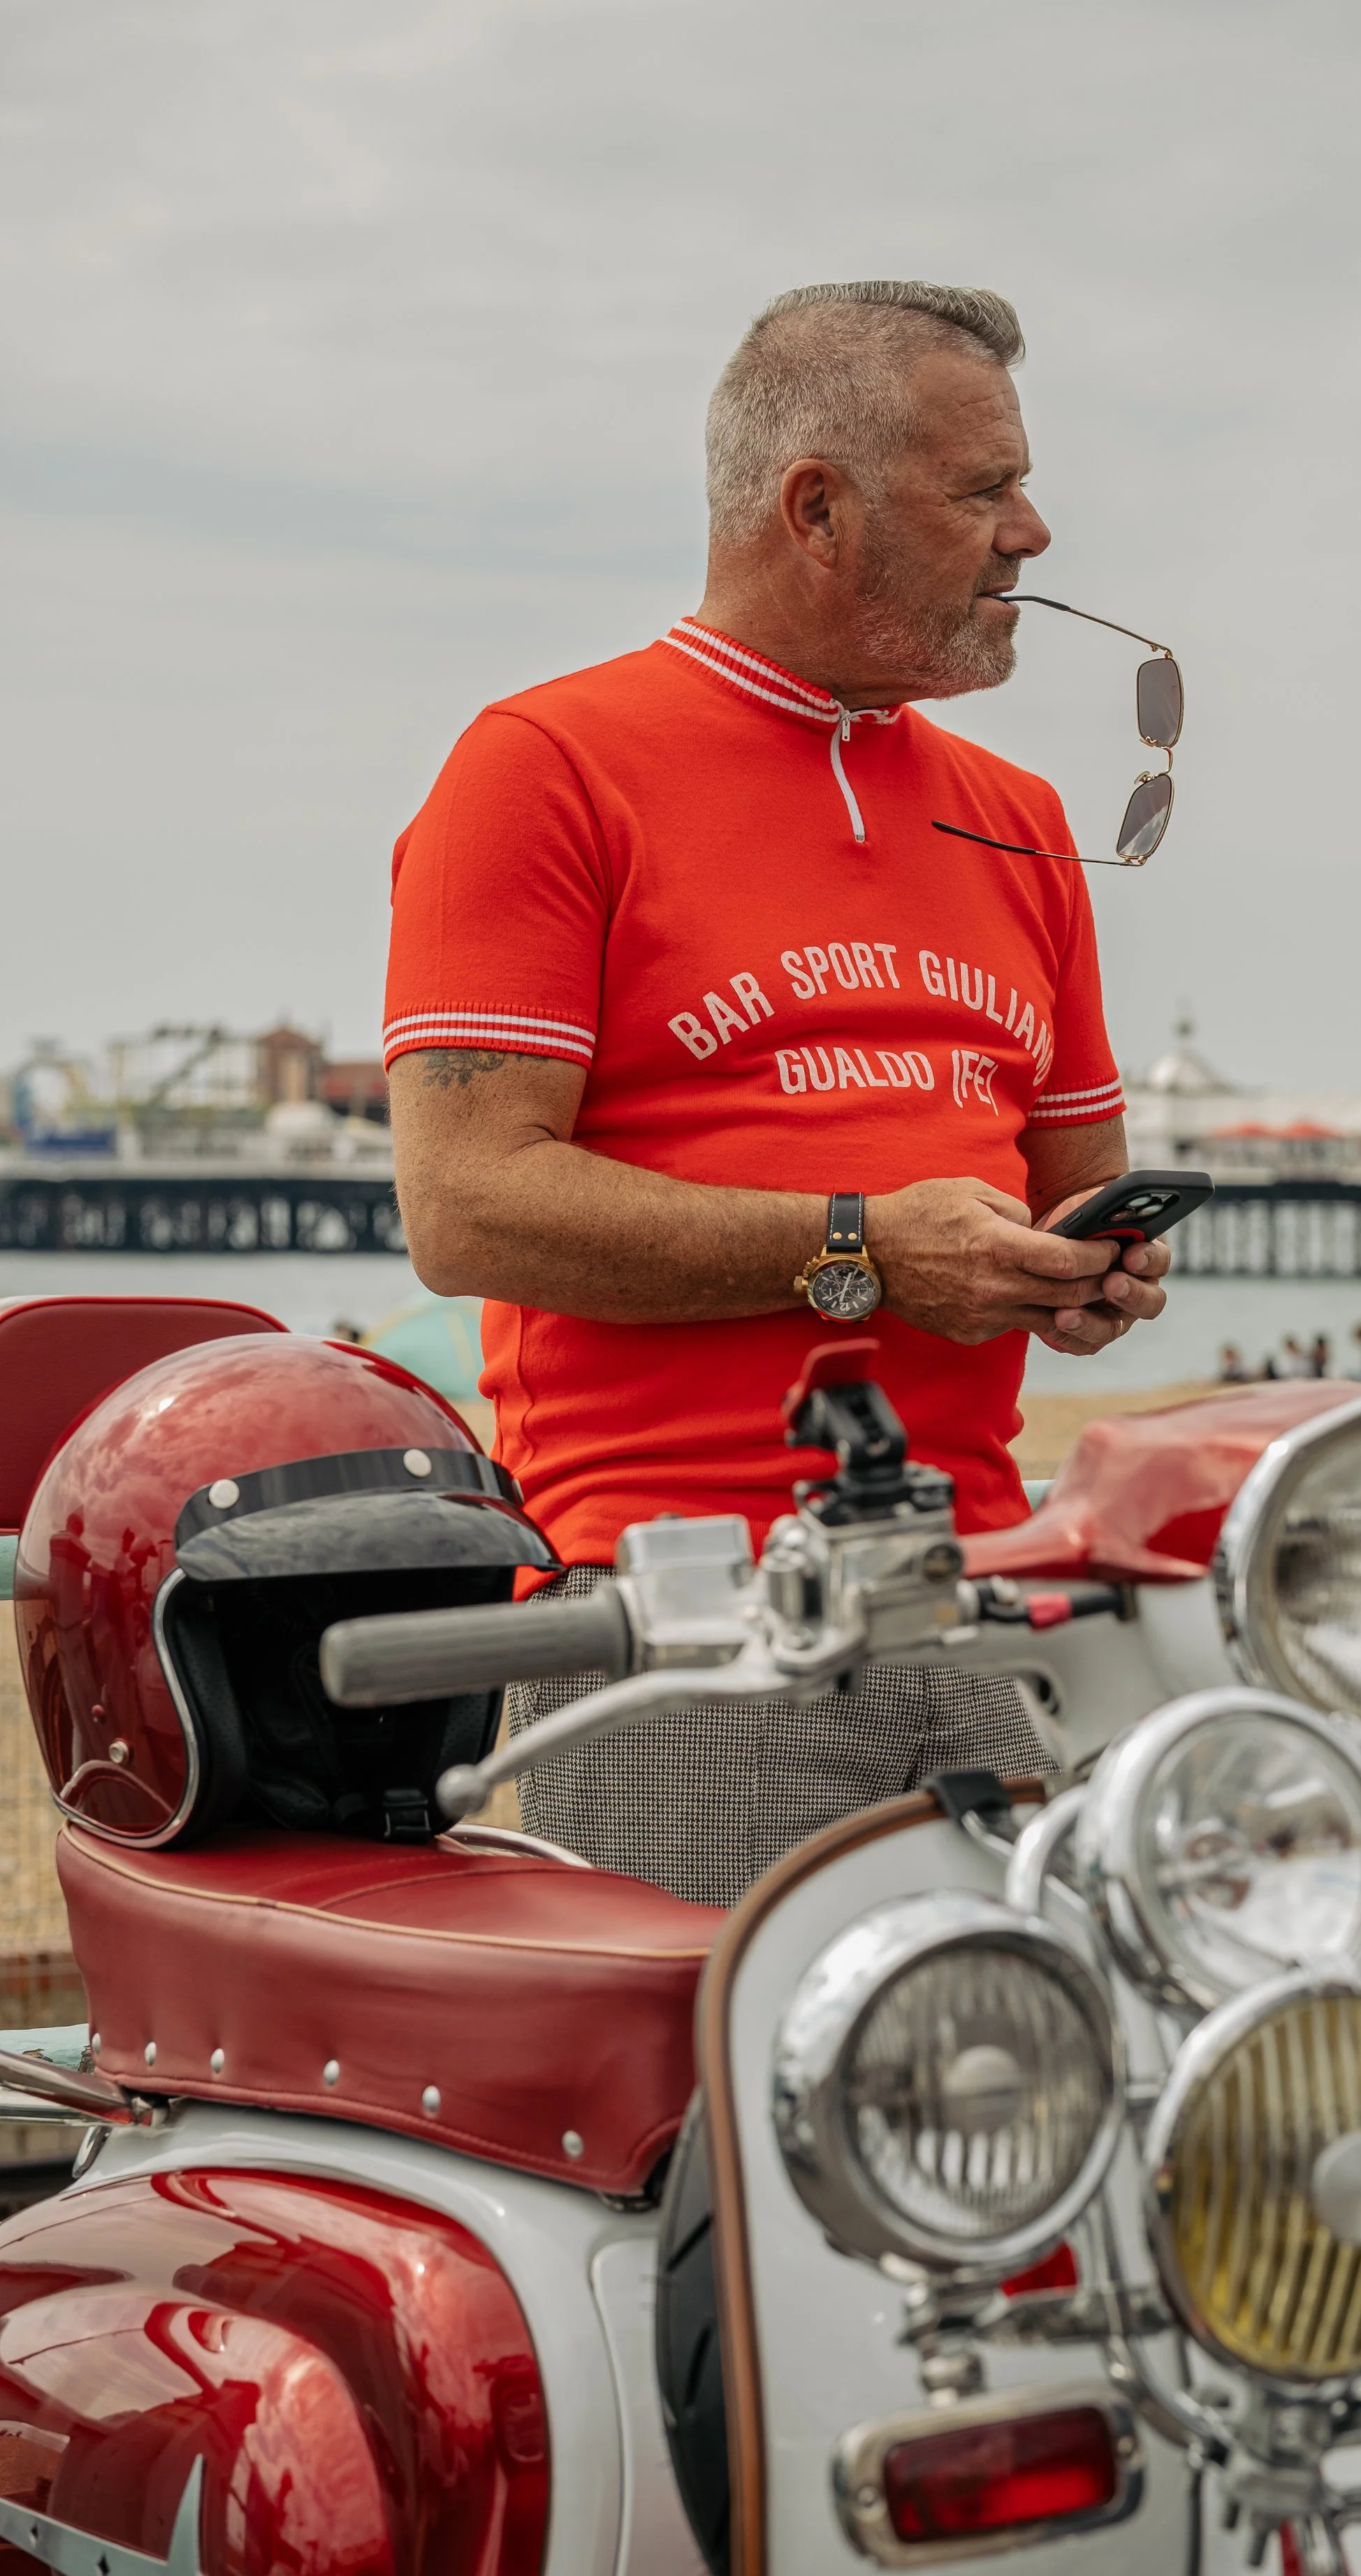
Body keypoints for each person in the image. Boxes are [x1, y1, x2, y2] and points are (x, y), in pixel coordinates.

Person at [384, 279, 1171, 1905]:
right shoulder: (543, 765)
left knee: (1035, 2051)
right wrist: (862, 1246)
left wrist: (1085, 1269)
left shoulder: (1022, 819)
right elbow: (464, 1207)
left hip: (975, 1586)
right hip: (675, 1616)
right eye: (981, 489)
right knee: (714, 2071)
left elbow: (1062, 1189)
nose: (1030, 533)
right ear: (814, 510)